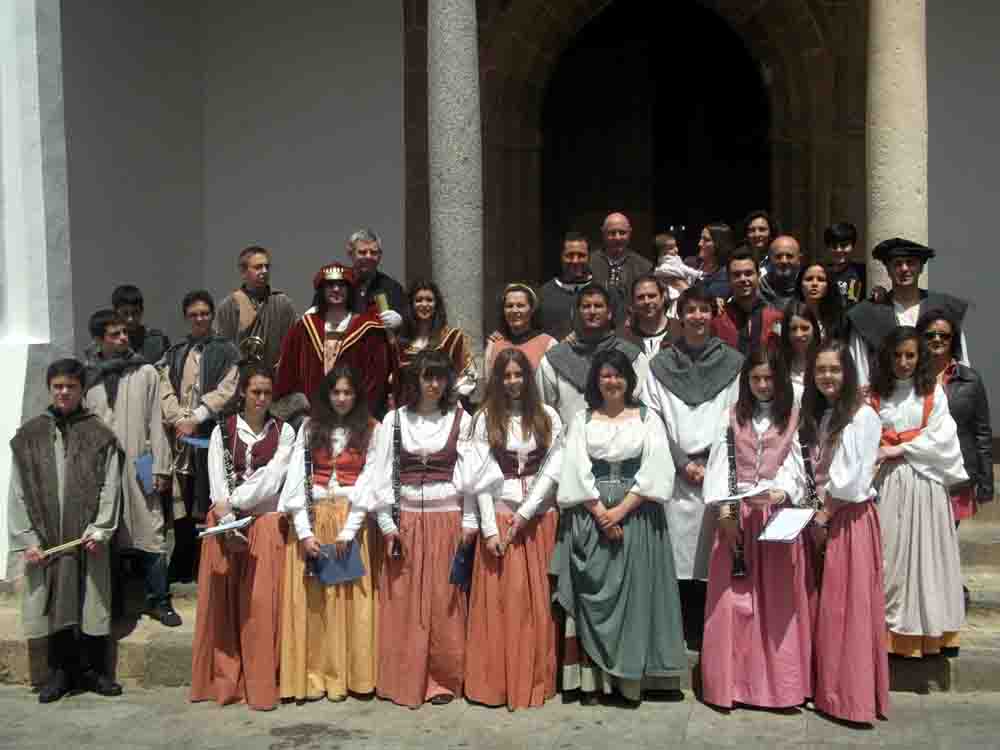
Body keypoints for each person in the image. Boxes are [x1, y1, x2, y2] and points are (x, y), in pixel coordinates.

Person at [364, 349, 502, 708]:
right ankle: (404, 675)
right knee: (404, 598)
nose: (434, 384)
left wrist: (470, 522)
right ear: (416, 379)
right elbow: (379, 475)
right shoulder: (394, 419)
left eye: (440, 376)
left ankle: (443, 678)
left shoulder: (462, 417)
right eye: (427, 376)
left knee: (445, 600)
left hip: (447, 516)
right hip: (406, 518)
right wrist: (386, 523)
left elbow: (473, 477)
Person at [551, 349, 686, 706]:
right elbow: (574, 466)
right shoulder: (582, 419)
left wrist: (622, 510)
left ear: (629, 379)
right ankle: (594, 683)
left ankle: (629, 683)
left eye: (618, 375)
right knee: (591, 599)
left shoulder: (647, 418)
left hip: (637, 515)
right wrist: (600, 512)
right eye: (605, 375)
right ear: (596, 380)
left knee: (636, 599)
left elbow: (658, 465)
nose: (612, 381)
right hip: (591, 514)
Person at [700, 348, 814, 711]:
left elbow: (798, 464)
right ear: (745, 382)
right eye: (755, 379)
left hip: (776, 515)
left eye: (769, 379)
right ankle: (732, 685)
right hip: (737, 515)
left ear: (779, 381)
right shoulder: (731, 416)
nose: (762, 386)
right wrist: (725, 507)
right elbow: (720, 463)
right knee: (733, 603)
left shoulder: (793, 418)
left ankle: (779, 688)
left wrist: (782, 489)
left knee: (777, 603)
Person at [9, 358, 123, 702]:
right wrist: (27, 539)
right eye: (57, 386)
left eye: (70, 386)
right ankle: (59, 674)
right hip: (46, 542)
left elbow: (110, 485)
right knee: (52, 603)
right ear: (49, 388)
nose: (63, 392)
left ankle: (93, 673)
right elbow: (17, 491)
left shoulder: (99, 433)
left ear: (81, 390)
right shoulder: (29, 436)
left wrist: (101, 529)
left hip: (86, 538)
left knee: (91, 602)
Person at [642, 284, 743, 649]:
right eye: (691, 311)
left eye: (704, 310)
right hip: (675, 472)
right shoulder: (660, 366)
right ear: (679, 317)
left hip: (715, 470)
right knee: (676, 557)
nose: (698, 317)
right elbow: (653, 419)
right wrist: (683, 463)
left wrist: (711, 466)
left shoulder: (733, 363)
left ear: (712, 316)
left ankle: (708, 632)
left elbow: (735, 418)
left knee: (710, 555)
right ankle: (678, 630)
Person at [190, 364, 295, 711]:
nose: (262, 398)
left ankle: (262, 681)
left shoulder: (285, 431)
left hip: (264, 522)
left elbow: (273, 477)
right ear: (243, 393)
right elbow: (217, 475)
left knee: (260, 606)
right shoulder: (223, 429)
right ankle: (225, 678)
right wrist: (227, 515)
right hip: (224, 521)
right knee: (224, 604)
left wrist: (233, 502)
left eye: (267, 392)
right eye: (255, 392)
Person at [465, 349, 562, 710]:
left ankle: (534, 676)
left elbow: (553, 469)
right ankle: (496, 681)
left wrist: (527, 513)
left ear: (528, 376)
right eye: (505, 376)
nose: (512, 382)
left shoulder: (548, 417)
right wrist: (490, 530)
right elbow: (480, 480)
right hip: (501, 518)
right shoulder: (483, 419)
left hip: (538, 520)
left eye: (518, 374)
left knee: (536, 604)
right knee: (503, 605)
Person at [278, 364, 380, 702]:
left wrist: (349, 531)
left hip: (351, 523)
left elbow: (370, 481)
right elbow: (296, 480)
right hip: (314, 519)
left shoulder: (371, 429)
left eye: (348, 392)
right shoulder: (309, 428)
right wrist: (305, 533)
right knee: (316, 604)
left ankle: (351, 675)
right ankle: (314, 674)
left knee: (351, 602)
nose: (341, 398)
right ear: (327, 394)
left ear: (357, 395)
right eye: (336, 392)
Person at [800, 339, 888, 724]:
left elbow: (852, 478)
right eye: (820, 370)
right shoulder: (828, 413)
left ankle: (849, 697)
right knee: (828, 607)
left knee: (846, 608)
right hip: (827, 514)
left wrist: (825, 513)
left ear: (848, 372)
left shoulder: (861, 415)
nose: (827, 376)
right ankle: (828, 690)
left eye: (834, 369)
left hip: (847, 518)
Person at [869, 327, 967, 657]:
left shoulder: (932, 393)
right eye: (897, 355)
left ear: (919, 357)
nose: (903, 362)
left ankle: (927, 632)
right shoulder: (875, 394)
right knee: (890, 557)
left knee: (925, 557)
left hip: (924, 483)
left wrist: (900, 449)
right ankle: (887, 632)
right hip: (887, 484)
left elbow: (944, 436)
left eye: (910, 355)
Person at [83, 310, 177, 626]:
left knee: (151, 530)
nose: (123, 338)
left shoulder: (145, 372)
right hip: (102, 471)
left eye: (124, 333)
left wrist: (161, 468)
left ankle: (159, 601)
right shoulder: (88, 378)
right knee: (110, 533)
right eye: (114, 334)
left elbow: (156, 421)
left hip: (142, 464)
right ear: (99, 340)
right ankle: (116, 603)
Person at [159, 290, 241, 583]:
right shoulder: (175, 352)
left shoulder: (227, 350)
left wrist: (198, 417)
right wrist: (179, 419)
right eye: (194, 314)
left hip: (210, 434)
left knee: (207, 493)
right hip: (180, 437)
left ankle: (207, 563)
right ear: (186, 317)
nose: (199, 319)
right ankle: (182, 559)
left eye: (204, 313)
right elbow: (164, 387)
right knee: (181, 497)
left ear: (211, 315)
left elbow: (229, 388)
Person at [273, 263, 396, 420]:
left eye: (341, 285)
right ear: (322, 290)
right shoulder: (305, 327)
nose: (336, 289)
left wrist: (361, 412)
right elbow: (287, 371)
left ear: (350, 290)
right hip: (314, 416)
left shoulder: (366, 328)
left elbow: (375, 378)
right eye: (330, 285)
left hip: (356, 418)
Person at [847, 238, 970, 387]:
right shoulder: (866, 314)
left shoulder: (945, 309)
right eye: (897, 264)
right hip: (885, 404)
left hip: (939, 402)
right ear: (888, 270)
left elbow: (961, 364)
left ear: (921, 268)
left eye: (911, 262)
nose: (904, 268)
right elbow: (860, 374)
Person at [916, 309, 994, 522]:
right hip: (919, 473)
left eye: (944, 335)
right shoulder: (909, 379)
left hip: (956, 472)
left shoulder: (971, 380)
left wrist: (985, 481)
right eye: (930, 335)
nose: (937, 339)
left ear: (954, 340)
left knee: (946, 543)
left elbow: (982, 433)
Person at [536, 283, 648, 428]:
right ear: (576, 313)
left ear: (609, 313)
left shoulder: (632, 356)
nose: (592, 311)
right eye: (586, 306)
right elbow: (544, 411)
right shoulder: (554, 360)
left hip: (622, 442)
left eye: (598, 306)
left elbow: (642, 406)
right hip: (571, 445)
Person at [214, 245, 297, 371]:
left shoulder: (283, 303)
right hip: (238, 380)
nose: (264, 271)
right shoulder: (228, 306)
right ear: (243, 272)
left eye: (267, 267)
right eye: (258, 267)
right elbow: (222, 350)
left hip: (274, 378)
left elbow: (293, 344)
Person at [397, 280, 477, 406]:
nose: (424, 304)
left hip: (444, 410)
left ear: (436, 305)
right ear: (411, 305)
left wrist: (451, 396)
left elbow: (469, 374)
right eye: (418, 300)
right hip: (410, 412)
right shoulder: (401, 342)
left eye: (429, 300)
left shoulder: (453, 338)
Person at [589, 212, 653, 332]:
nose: (617, 237)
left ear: (630, 232)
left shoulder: (644, 267)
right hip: (594, 332)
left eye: (622, 233)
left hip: (633, 333)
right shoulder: (589, 263)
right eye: (612, 233)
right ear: (603, 233)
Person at [710, 251, 783, 354]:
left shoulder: (775, 318)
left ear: (758, 275)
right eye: (736, 275)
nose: (743, 279)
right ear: (728, 278)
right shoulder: (717, 318)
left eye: (748, 273)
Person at [482, 282, 557, 375]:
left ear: (532, 309)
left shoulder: (548, 344)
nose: (514, 310)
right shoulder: (494, 345)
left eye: (520, 305)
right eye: (509, 306)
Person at [84, 285, 171, 364]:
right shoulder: (101, 346)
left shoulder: (157, 341)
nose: (130, 319)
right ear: (115, 313)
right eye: (125, 313)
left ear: (142, 311)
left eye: (135, 313)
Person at [345, 227, 406, 331]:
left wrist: (401, 320)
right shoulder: (337, 285)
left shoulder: (392, 287)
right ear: (350, 254)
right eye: (362, 252)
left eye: (373, 252)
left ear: (380, 255)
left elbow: (409, 324)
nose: (368, 257)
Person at [537, 231, 594, 341]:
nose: (575, 261)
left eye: (581, 255)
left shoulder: (605, 291)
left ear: (589, 257)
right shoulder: (543, 294)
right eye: (569, 255)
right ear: (561, 256)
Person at [778, 301, 822, 403]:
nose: (798, 334)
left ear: (814, 329)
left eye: (805, 328)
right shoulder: (778, 363)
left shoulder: (826, 359)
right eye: (793, 329)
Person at [625, 274, 678, 355]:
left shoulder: (680, 331)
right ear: (633, 301)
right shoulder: (623, 337)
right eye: (640, 297)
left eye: (652, 296)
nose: (646, 301)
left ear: (663, 297)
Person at [798, 261, 847, 341]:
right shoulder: (790, 317)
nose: (814, 283)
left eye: (820, 279)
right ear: (800, 285)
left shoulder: (841, 322)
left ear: (829, 285)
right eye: (809, 279)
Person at [824, 222, 866, 308]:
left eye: (844, 245)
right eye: (834, 246)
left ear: (853, 246)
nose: (839, 250)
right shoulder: (821, 272)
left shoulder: (862, 271)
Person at [758, 235, 802, 310]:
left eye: (789, 256)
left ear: (799, 259)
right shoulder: (756, 292)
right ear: (769, 260)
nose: (784, 261)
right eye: (778, 256)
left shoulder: (806, 291)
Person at [696, 222, 733, 300]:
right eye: (701, 238)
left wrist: (679, 283)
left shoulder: (725, 275)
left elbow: (702, 302)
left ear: (720, 244)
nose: (699, 243)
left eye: (706, 240)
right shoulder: (692, 263)